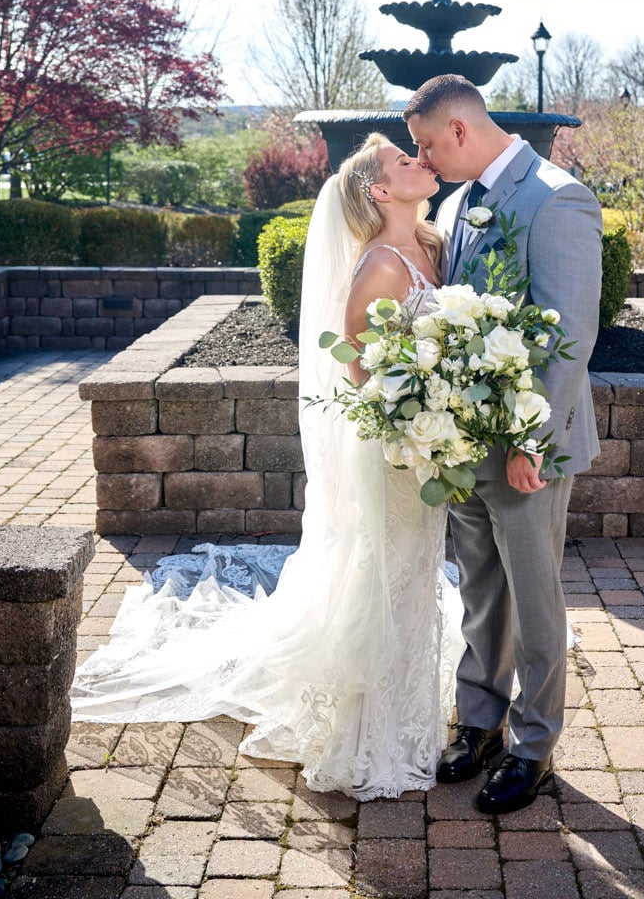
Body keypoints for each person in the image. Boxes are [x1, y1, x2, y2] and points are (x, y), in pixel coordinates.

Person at [70, 135, 464, 801]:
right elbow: (358, 367)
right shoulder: (380, 267)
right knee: (384, 573)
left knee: (414, 569)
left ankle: (412, 701)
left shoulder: (431, 244)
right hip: (396, 443)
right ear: (379, 191)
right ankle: (373, 727)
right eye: (405, 161)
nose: (420, 163)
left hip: (429, 441)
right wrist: (420, 400)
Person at [405, 73, 603, 815]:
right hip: (465, 445)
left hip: (526, 446)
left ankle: (534, 744)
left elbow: (569, 336)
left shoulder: (557, 197)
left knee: (536, 596)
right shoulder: (458, 202)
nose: (422, 159)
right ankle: (481, 718)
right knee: (481, 590)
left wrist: (532, 441)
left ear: (458, 130)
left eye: (427, 144)